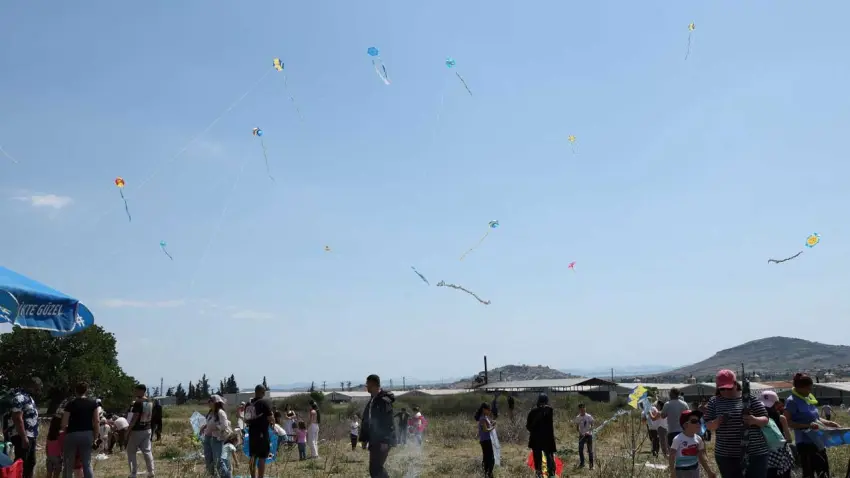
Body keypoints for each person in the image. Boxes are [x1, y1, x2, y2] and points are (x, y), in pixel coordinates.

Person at [704, 369, 770, 478]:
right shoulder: (714, 402)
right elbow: (708, 425)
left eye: (728, 388)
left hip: (755, 454)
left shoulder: (750, 399)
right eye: (722, 389)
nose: (725, 391)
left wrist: (754, 420)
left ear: (735, 384)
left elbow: (766, 419)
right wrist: (717, 422)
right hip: (727, 456)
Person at [784, 372, 838, 478]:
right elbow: (787, 422)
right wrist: (807, 426)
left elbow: (815, 418)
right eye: (808, 389)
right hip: (805, 443)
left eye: (810, 388)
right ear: (799, 387)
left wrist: (829, 423)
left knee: (823, 470)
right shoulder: (792, 401)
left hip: (819, 440)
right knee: (809, 472)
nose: (810, 391)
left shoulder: (808, 398)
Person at [359, 374, 396, 478]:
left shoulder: (384, 401)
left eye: (368, 384)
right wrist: (364, 438)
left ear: (374, 385)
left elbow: (388, 422)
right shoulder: (372, 401)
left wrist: (385, 440)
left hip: (382, 440)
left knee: (376, 468)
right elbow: (367, 421)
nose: (367, 386)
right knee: (374, 469)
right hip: (374, 440)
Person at [61, 382, 99, 478]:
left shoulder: (70, 404)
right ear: (87, 390)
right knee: (87, 463)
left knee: (68, 463)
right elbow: (97, 421)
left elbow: (64, 423)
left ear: (75, 391)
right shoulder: (93, 403)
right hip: (87, 434)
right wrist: (95, 437)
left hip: (72, 434)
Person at [9, 377, 42, 478]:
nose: (38, 390)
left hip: (31, 436)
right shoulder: (19, 398)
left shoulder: (30, 398)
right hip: (22, 436)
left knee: (31, 463)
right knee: (21, 463)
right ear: (32, 386)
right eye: (37, 388)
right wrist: (24, 437)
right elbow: (17, 418)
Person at [669, 409, 716, 478]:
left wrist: (709, 471)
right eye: (694, 421)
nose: (698, 423)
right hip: (681, 472)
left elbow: (701, 457)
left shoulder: (698, 439)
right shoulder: (678, 439)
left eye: (699, 421)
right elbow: (672, 456)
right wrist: (672, 472)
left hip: (695, 470)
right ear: (685, 425)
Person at [760, 391, 793, 478]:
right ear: (777, 404)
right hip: (781, 456)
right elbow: (789, 439)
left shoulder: (757, 419)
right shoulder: (781, 418)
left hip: (764, 456)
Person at [125, 384, 155, 478]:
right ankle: (151, 471)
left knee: (131, 451)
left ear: (141, 391)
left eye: (136, 390)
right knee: (147, 451)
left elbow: (135, 417)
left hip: (137, 430)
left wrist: (128, 430)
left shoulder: (138, 402)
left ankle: (133, 473)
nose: (135, 392)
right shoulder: (150, 401)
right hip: (147, 428)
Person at [246, 384, 274, 478]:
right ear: (263, 392)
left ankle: (253, 476)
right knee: (262, 457)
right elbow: (270, 418)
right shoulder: (264, 403)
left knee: (253, 456)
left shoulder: (249, 404)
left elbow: (246, 420)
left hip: (252, 433)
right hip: (262, 433)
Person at [526, 393, 557, 478]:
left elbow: (528, 427)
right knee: (549, 458)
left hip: (535, 440)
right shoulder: (549, 410)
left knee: (537, 459)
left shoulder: (532, 412)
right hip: (547, 439)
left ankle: (539, 474)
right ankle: (551, 474)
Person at [475, 402, 496, 478]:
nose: (489, 411)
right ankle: (489, 473)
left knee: (486, 458)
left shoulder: (485, 417)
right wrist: (493, 428)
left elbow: (488, 425)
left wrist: (492, 423)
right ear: (484, 409)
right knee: (490, 459)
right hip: (485, 441)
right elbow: (485, 430)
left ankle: (486, 473)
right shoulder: (482, 418)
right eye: (488, 410)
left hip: (485, 440)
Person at [574, 403, 595, 469]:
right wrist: (580, 433)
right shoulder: (578, 417)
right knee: (580, 450)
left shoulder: (589, 416)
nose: (583, 410)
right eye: (581, 409)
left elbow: (592, 425)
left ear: (585, 409)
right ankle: (582, 463)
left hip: (589, 435)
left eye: (584, 409)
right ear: (579, 410)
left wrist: (589, 432)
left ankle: (591, 466)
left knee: (590, 450)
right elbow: (577, 427)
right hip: (581, 435)